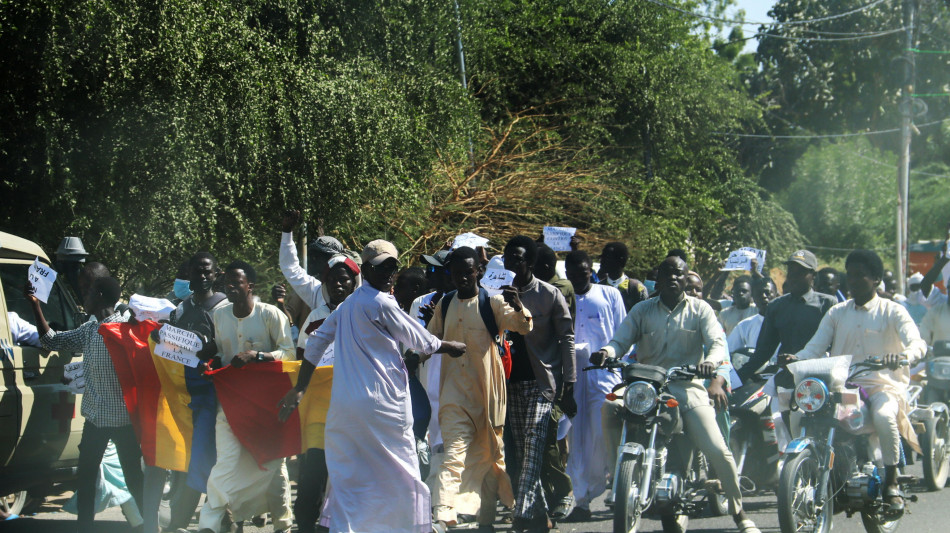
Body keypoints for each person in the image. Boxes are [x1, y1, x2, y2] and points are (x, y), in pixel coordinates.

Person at [277, 240, 465, 533]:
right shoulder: (381, 302)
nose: (388, 273)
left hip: (345, 407)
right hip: (383, 405)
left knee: (351, 471)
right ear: (365, 270)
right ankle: (407, 526)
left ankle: (347, 525)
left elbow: (315, 344)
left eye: (392, 266)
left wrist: (300, 387)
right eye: (382, 267)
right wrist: (450, 345)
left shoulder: (348, 305)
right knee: (401, 467)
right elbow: (423, 341)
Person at [590, 256, 761, 533]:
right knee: (609, 408)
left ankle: (739, 512)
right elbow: (620, 340)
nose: (672, 277)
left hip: (686, 387)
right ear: (657, 279)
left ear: (685, 279)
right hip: (646, 386)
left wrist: (711, 362)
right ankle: (617, 477)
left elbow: (718, 345)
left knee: (718, 449)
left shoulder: (701, 309)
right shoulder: (642, 310)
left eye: (678, 273)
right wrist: (607, 353)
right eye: (667, 273)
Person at [789, 249, 925, 515]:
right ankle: (808, 471)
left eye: (860, 276)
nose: (853, 281)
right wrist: (795, 358)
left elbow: (918, 343)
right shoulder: (837, 313)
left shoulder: (893, 311)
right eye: (849, 276)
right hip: (844, 387)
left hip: (883, 386)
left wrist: (903, 356)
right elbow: (814, 348)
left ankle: (892, 482)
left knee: (885, 416)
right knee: (801, 414)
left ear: (875, 279)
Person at [27, 276, 143, 533]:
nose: (84, 298)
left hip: (124, 422)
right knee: (87, 479)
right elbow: (51, 340)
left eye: (88, 292)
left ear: (100, 296)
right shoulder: (90, 330)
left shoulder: (126, 329)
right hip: (95, 421)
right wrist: (35, 305)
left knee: (134, 478)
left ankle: (147, 526)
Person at [427, 246, 533, 528]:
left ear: (479, 272)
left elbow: (523, 327)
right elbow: (429, 342)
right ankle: (444, 513)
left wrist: (519, 304)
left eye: (468, 272)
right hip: (454, 397)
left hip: (489, 397)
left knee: (492, 459)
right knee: (453, 456)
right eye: (457, 273)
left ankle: (488, 520)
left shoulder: (493, 303)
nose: (462, 278)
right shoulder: (445, 304)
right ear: (451, 274)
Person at [197, 261, 295, 533]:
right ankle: (209, 524)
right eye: (226, 283)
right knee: (225, 464)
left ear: (249, 285)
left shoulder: (271, 314)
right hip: (230, 405)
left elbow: (289, 354)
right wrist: (209, 356)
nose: (229, 287)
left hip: (266, 407)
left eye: (235, 282)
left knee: (273, 467)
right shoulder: (219, 315)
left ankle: (283, 525)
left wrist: (258, 357)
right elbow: (221, 352)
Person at [142, 252, 228, 533]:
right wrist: (161, 336)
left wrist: (210, 348)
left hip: (214, 396)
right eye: (196, 272)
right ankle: (219, 519)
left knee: (203, 457)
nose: (202, 277)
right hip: (184, 396)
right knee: (188, 458)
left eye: (207, 272)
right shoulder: (180, 310)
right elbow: (173, 350)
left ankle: (180, 521)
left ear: (217, 274)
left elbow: (228, 350)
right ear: (188, 276)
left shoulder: (225, 309)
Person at [502, 236, 576, 533]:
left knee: (534, 442)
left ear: (529, 263)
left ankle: (521, 512)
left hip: (541, 383)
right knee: (522, 451)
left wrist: (568, 383)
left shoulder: (549, 294)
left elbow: (567, 339)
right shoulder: (495, 295)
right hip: (510, 383)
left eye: (517, 259)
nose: (510, 264)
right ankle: (540, 515)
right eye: (507, 258)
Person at [287, 252, 360, 533]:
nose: (338, 285)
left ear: (354, 283)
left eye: (344, 280)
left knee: (347, 474)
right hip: (320, 409)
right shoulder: (316, 319)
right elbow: (303, 358)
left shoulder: (364, 314)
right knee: (314, 470)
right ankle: (305, 523)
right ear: (325, 283)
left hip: (355, 409)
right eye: (333, 280)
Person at [561, 250, 626, 522]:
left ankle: (613, 486)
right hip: (573, 375)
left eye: (583, 273)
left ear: (592, 271)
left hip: (605, 375)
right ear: (567, 274)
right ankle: (582, 500)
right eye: (573, 275)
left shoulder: (610, 295)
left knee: (603, 433)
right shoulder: (562, 297)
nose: (578, 279)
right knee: (576, 436)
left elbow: (623, 333)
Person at [736, 250, 838, 383]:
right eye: (791, 272)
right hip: (787, 377)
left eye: (800, 272)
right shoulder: (776, 306)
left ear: (813, 275)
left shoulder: (828, 304)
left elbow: (837, 347)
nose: (793, 277)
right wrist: (734, 381)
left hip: (820, 378)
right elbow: (763, 352)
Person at [726, 278, 778, 359]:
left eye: (767, 293)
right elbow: (729, 352)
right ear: (753, 298)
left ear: (776, 295)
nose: (764, 296)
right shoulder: (744, 326)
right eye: (759, 293)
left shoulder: (789, 322)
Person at [597, 242, 648, 312]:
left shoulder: (636, 288)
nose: (602, 261)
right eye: (602, 258)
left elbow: (644, 315)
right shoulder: (598, 288)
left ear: (621, 261)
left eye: (607, 258)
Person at [534, 243, 575, 318]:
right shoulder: (537, 286)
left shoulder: (562, 286)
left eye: (534, 265)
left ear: (545, 267)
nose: (531, 269)